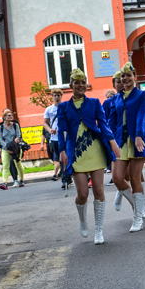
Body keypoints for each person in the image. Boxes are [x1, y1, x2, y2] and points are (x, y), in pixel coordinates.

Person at [56, 68, 120, 244]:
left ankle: (99, 230)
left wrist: (112, 140)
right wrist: (62, 150)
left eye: (83, 82)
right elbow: (61, 131)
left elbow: (104, 124)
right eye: (77, 82)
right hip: (75, 153)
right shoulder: (63, 107)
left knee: (99, 190)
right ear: (71, 85)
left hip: (95, 150)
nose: (81, 85)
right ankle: (83, 219)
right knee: (83, 194)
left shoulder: (94, 102)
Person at [112, 63, 145, 232]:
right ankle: (137, 207)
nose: (125, 78)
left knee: (135, 178)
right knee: (117, 177)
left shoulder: (141, 95)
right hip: (120, 140)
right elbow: (112, 122)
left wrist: (139, 134)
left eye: (129, 75)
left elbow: (141, 115)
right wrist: (109, 140)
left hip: (137, 139)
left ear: (135, 77)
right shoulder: (116, 98)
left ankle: (137, 218)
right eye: (123, 76)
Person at [0, 109, 24, 189]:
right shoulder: (0, 127)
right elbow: (0, 139)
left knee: (18, 164)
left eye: (11, 115)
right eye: (8, 115)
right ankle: (4, 183)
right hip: (5, 149)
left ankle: (21, 180)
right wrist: (6, 147)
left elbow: (18, 136)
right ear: (4, 117)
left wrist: (13, 145)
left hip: (15, 148)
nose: (10, 117)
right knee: (5, 165)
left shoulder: (15, 125)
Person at [43, 89, 63, 181]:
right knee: (59, 158)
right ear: (52, 96)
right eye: (55, 95)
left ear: (61, 96)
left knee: (64, 157)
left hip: (65, 136)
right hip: (54, 138)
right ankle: (65, 175)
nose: (56, 97)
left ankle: (66, 178)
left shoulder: (65, 107)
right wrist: (49, 130)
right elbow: (45, 123)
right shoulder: (49, 109)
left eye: (58, 95)